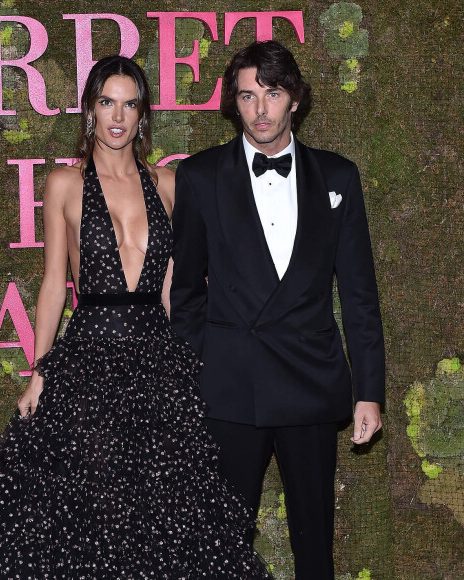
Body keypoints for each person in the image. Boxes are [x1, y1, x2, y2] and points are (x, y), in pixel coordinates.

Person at [0, 55, 270, 579]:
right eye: (107, 102)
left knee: (164, 515)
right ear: (91, 110)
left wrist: (187, 366)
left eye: (130, 103)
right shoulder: (64, 185)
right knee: (91, 515)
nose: (118, 115)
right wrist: (38, 371)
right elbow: (53, 285)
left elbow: (173, 287)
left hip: (157, 364)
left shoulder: (168, 184)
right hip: (89, 364)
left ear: (143, 114)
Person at [170, 40, 385, 580]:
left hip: (310, 383)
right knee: (221, 547)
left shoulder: (338, 177)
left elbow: (359, 295)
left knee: (315, 548)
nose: (260, 109)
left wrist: (369, 392)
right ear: (234, 104)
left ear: (294, 99)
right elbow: (187, 292)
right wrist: (199, 372)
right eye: (247, 96)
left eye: (272, 93)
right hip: (229, 389)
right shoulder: (199, 176)